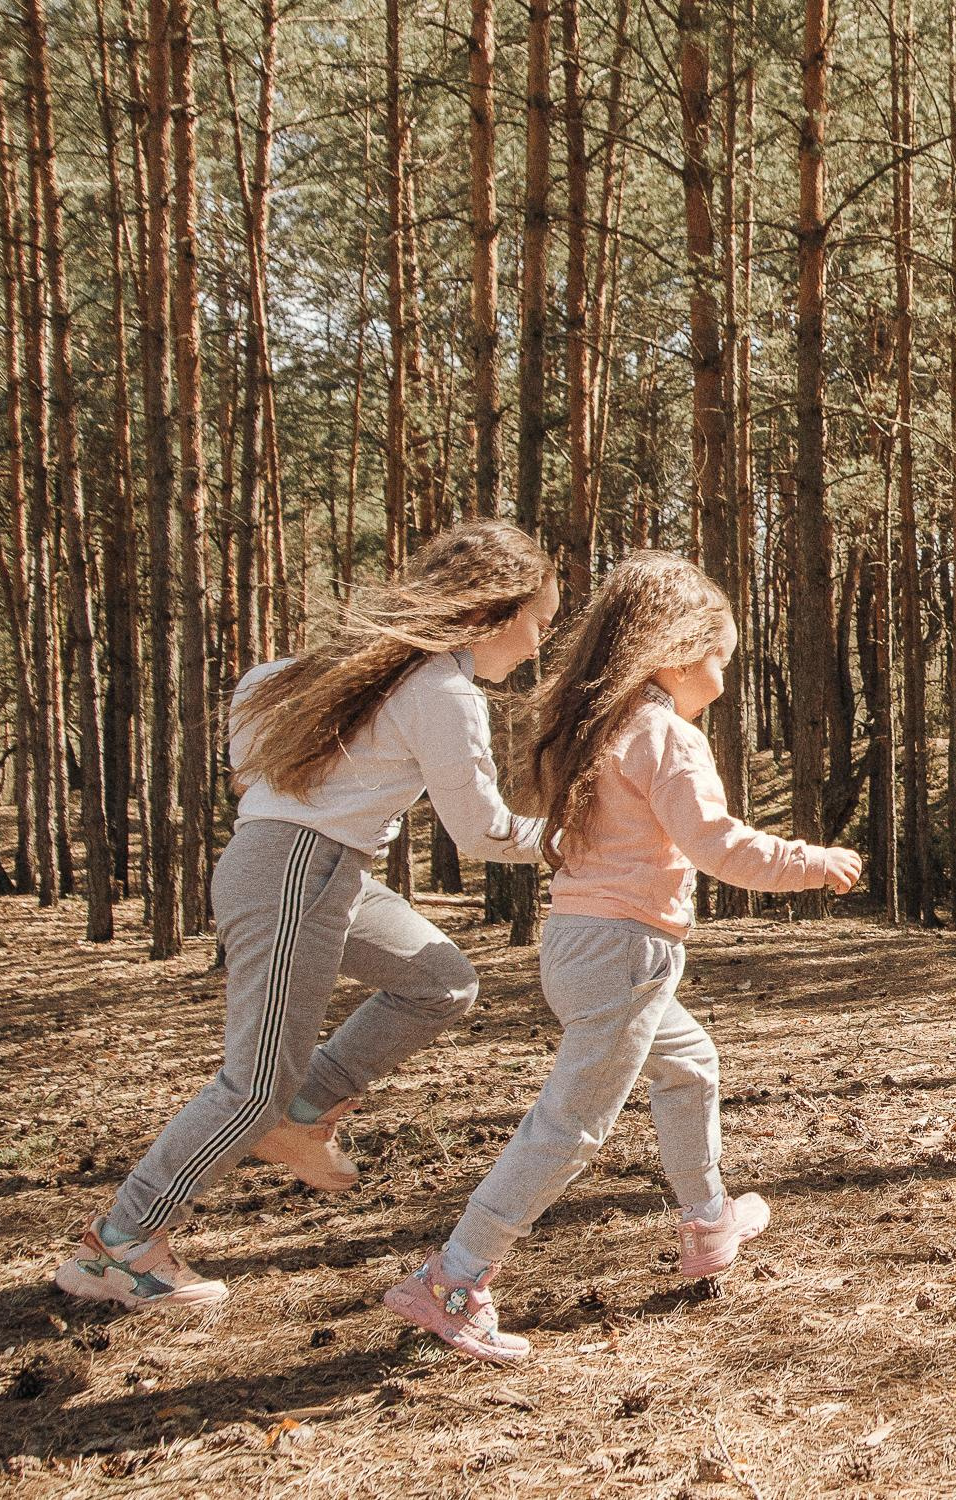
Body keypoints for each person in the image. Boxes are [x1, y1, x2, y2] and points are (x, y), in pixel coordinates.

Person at [55, 520, 559, 1310]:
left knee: (441, 982)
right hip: (300, 871)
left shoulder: (304, 673)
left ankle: (299, 1114)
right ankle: (119, 1245)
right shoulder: (443, 690)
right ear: (492, 612)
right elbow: (482, 831)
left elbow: (248, 758)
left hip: (309, 868)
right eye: (540, 623)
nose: (539, 645)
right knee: (252, 1083)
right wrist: (579, 838)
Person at [383, 551, 861, 1364]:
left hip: (579, 945)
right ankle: (455, 1278)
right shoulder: (666, 736)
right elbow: (716, 845)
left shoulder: (598, 728)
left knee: (691, 1064)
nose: (723, 680)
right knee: (571, 1126)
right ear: (676, 654)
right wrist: (810, 862)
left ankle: (707, 1221)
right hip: (628, 952)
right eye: (719, 660)